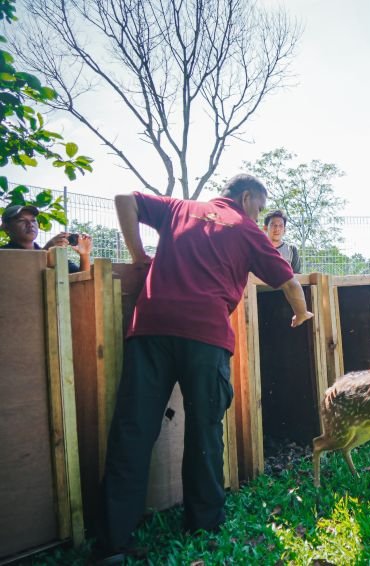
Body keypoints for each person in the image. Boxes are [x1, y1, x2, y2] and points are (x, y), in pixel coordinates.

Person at [96, 174, 313, 562]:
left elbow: (123, 197)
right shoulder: (247, 230)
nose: (260, 215)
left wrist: (138, 256)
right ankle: (203, 523)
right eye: (260, 208)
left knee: (133, 429)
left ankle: (113, 540)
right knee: (204, 429)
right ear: (247, 198)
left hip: (150, 328)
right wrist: (302, 313)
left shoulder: (180, 208)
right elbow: (290, 282)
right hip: (205, 336)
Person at [1, 204, 93, 272]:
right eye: (21, 220)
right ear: (6, 228)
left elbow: (81, 282)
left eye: (33, 220)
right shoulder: (3, 255)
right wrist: (45, 251)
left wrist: (84, 255)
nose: (30, 225)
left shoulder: (53, 255)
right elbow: (23, 275)